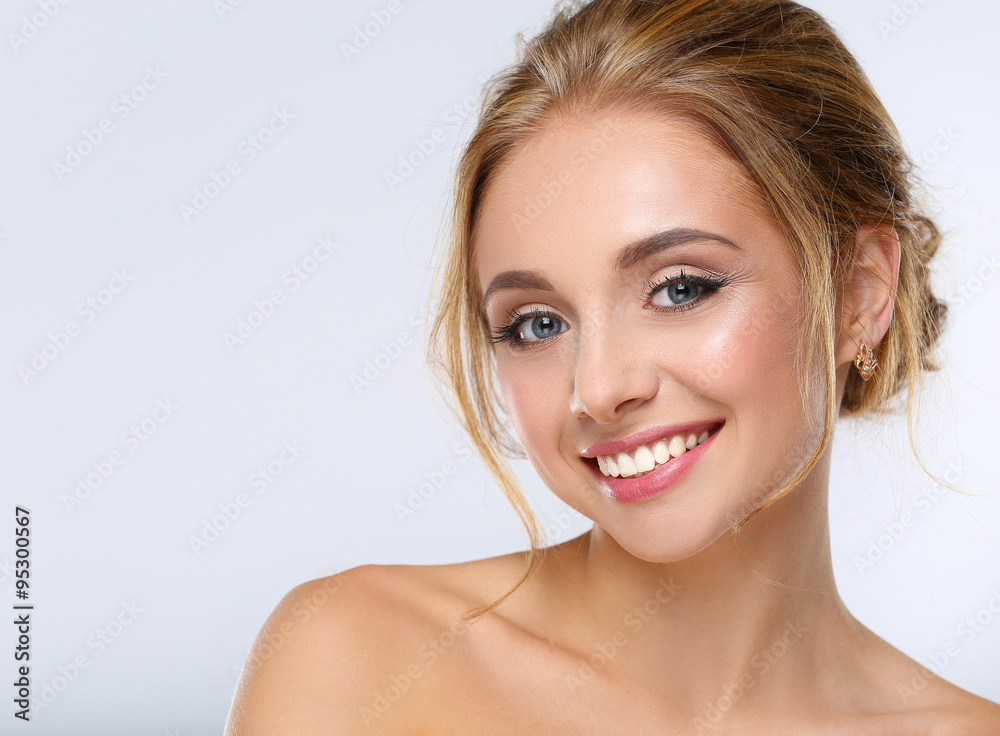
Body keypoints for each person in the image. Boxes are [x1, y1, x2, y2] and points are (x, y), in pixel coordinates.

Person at [225, 0, 1000, 732]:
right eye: (537, 323)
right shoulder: (359, 661)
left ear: (859, 293)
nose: (597, 389)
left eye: (680, 288)